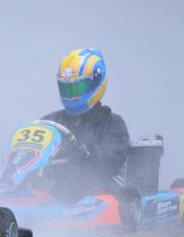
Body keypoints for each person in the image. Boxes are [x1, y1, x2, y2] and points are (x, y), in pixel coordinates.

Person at [41, 49, 130, 201]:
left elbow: (109, 164)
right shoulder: (51, 121)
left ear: (96, 83)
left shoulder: (112, 124)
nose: (70, 95)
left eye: (77, 88)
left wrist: (78, 153)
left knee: (68, 187)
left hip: (97, 189)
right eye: (66, 89)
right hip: (56, 186)